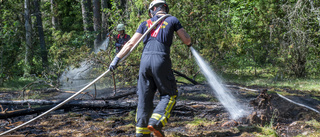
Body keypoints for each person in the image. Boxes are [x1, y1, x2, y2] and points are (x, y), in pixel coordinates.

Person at [108, 0, 192, 136]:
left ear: (153, 10)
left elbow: (130, 44)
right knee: (169, 94)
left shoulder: (145, 24)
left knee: (144, 98)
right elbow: (187, 40)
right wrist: (189, 42)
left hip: (144, 62)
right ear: (164, 8)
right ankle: (156, 123)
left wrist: (116, 59)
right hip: (161, 60)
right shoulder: (172, 20)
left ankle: (141, 134)